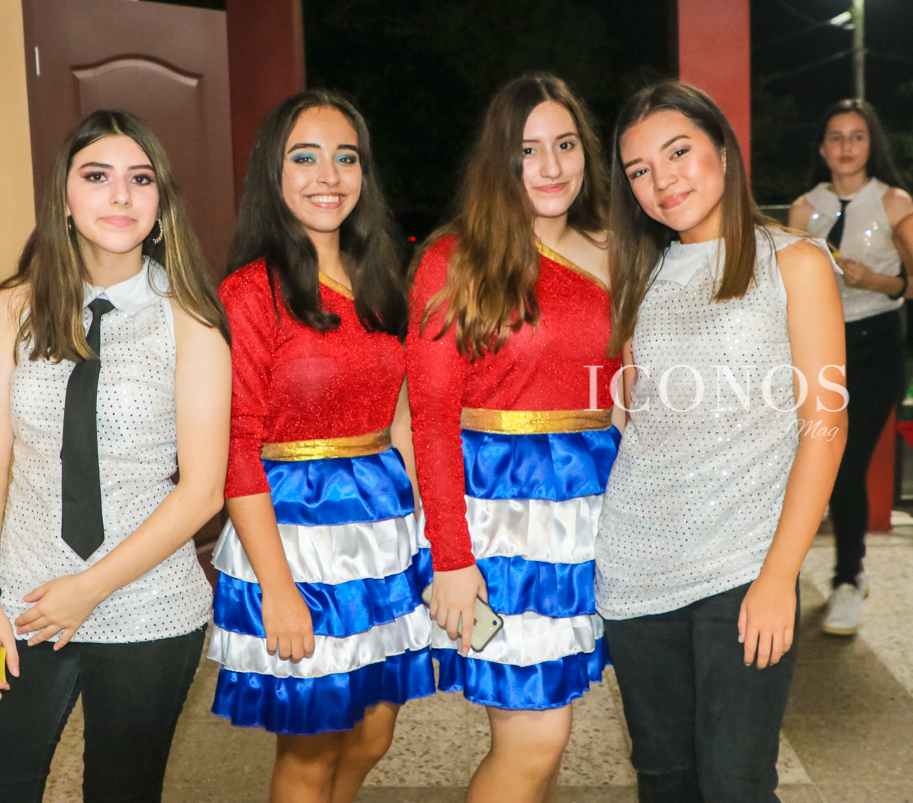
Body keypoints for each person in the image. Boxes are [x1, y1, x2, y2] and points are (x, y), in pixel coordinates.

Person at [0, 110, 231, 802]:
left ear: (160, 203)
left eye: (140, 179)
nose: (120, 195)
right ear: (64, 198)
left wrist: (90, 586)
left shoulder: (192, 319)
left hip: (149, 602)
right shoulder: (14, 309)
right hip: (22, 599)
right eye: (97, 176)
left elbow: (203, 490)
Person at [596, 81, 847, 802]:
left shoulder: (794, 261)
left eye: (678, 152)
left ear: (724, 152)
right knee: (664, 779)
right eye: (639, 169)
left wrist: (778, 577)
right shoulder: (642, 275)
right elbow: (635, 415)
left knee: (736, 783)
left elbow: (825, 429)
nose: (662, 179)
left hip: (744, 564)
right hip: (636, 563)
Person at [207, 90, 433, 803]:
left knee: (372, 735)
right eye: (305, 158)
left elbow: (402, 417)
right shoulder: (249, 293)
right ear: (272, 172)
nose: (328, 176)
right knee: (312, 750)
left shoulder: (383, 278)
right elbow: (236, 447)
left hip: (381, 535)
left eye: (346, 158)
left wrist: (433, 537)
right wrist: (278, 589)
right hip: (293, 538)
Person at [407, 73, 621, 803]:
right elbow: (432, 418)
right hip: (498, 525)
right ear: (500, 158)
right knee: (535, 738)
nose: (552, 166)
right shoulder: (455, 259)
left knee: (549, 729)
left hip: (591, 518)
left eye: (566, 144)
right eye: (529, 150)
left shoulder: (615, 248)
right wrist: (451, 557)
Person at [788, 99, 913, 635]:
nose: (846, 146)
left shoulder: (894, 202)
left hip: (877, 345)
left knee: (845, 462)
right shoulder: (804, 209)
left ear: (871, 144)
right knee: (812, 458)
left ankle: (849, 576)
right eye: (835, 136)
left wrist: (876, 282)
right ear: (821, 148)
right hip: (820, 347)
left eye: (857, 136)